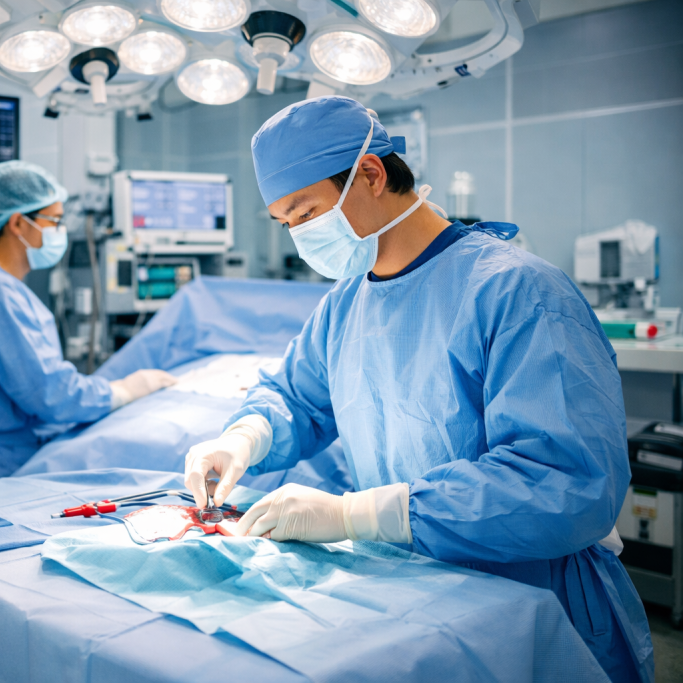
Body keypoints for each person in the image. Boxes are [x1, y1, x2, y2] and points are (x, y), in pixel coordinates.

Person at [184, 97, 653, 682]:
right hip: (409, 594)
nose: (298, 238)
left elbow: (564, 481)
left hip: (532, 605)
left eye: (305, 214)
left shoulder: (520, 292)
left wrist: (358, 513)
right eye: (284, 223)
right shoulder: (345, 304)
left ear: (373, 175)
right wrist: (243, 438)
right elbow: (297, 397)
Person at [0, 160, 177, 488]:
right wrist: (122, 390)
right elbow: (50, 394)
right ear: (17, 223)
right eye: (54, 221)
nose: (60, 231)